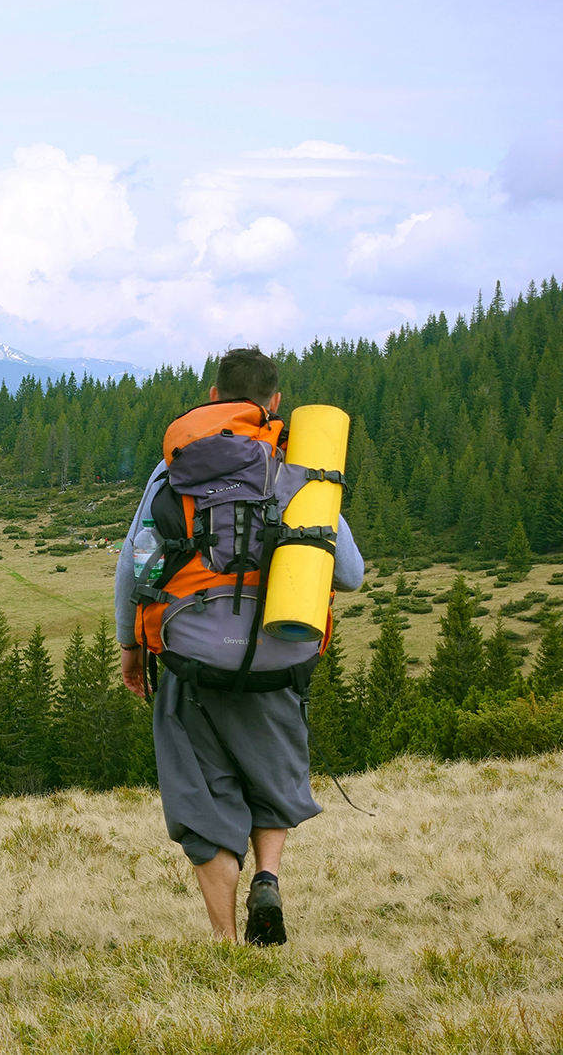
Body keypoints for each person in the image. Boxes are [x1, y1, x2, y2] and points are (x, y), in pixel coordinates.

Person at [113, 347, 364, 944]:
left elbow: (135, 565)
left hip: (193, 659)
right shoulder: (298, 468)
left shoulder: (174, 469)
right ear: (274, 402)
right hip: (281, 654)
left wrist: (130, 646)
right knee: (272, 778)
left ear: (212, 397)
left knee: (205, 802)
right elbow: (350, 573)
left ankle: (227, 944)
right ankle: (267, 876)